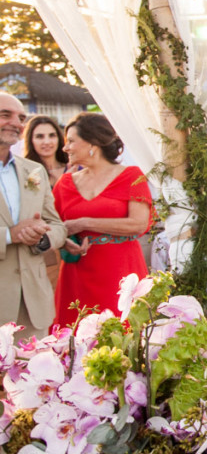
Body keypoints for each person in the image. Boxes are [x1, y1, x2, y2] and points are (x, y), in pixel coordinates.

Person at [52, 112, 152, 328]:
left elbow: (138, 224)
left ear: (92, 143)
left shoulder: (132, 176)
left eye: (70, 141)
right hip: (76, 273)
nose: (65, 148)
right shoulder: (65, 183)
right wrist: (63, 240)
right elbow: (53, 226)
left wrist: (84, 223)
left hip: (121, 272)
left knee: (123, 337)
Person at [0, 94, 67, 338]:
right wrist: (10, 235)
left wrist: (42, 238)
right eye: (5, 115)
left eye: (20, 118)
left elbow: (57, 225)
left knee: (35, 375)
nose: (15, 123)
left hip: (33, 305)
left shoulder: (33, 170)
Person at [22, 115, 70, 188]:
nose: (47, 142)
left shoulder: (74, 169)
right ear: (30, 141)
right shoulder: (24, 173)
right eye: (40, 136)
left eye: (52, 135)